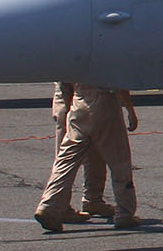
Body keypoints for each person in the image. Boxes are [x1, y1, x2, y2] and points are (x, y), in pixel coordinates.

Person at [34, 85, 140, 232]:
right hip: (105, 103)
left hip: (79, 102)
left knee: (67, 159)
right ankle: (124, 212)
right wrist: (130, 110)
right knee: (119, 160)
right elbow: (119, 84)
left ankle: (49, 204)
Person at [50, 82, 113, 219]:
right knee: (87, 130)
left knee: (86, 134)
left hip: (68, 77)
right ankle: (62, 204)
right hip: (83, 80)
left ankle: (91, 199)